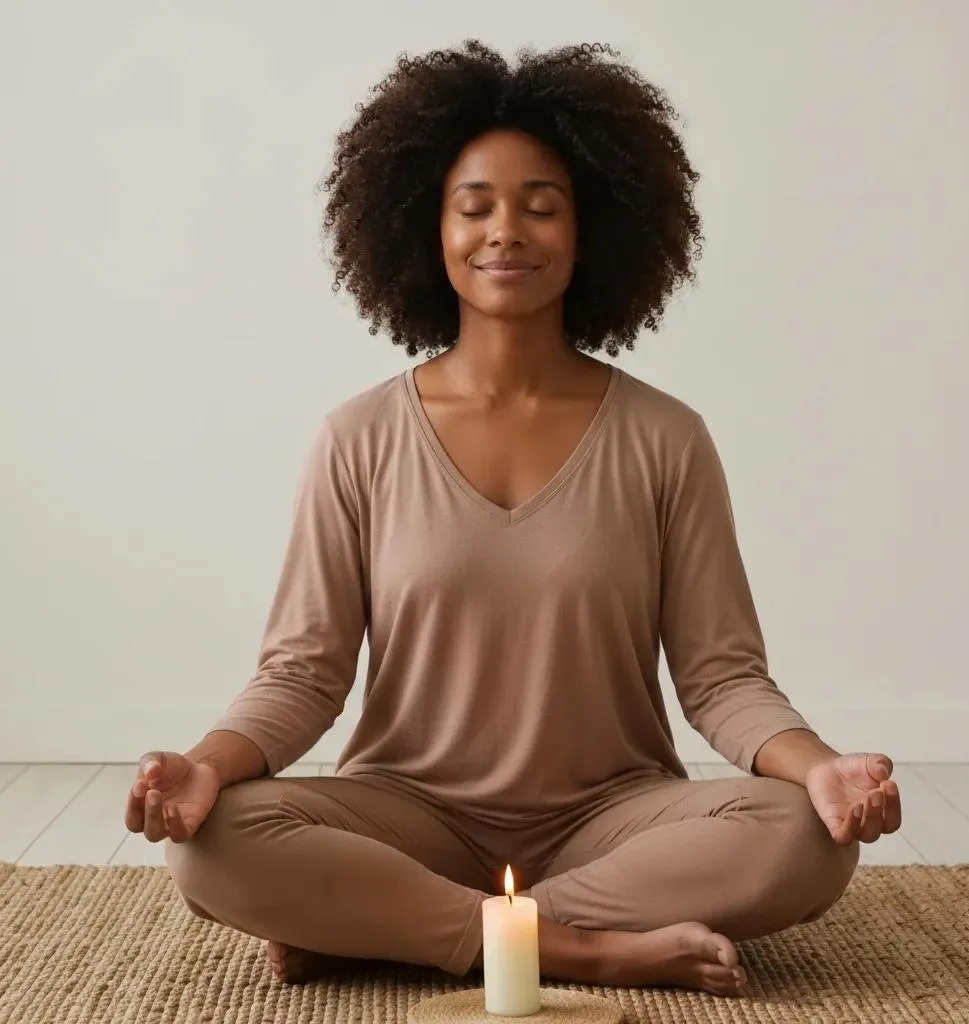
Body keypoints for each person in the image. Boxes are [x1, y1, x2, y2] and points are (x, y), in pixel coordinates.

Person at [124, 40, 903, 999]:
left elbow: (722, 677)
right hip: (404, 812)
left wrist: (820, 768)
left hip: (613, 818)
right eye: (475, 205)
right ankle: (581, 946)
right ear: (424, 226)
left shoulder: (667, 438)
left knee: (801, 841)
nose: (507, 231)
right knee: (214, 846)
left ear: (592, 232)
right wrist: (203, 767)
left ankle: (398, 930)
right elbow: (303, 673)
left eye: (542, 205)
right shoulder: (357, 438)